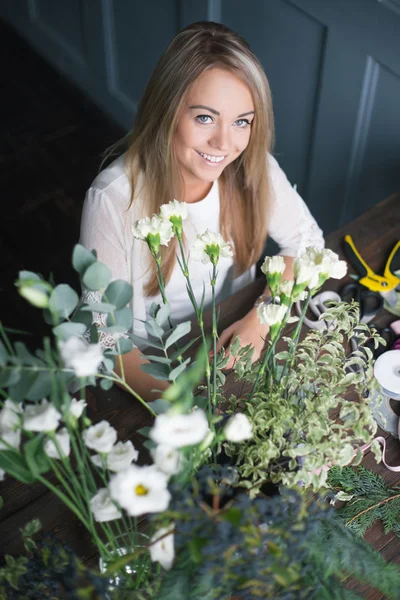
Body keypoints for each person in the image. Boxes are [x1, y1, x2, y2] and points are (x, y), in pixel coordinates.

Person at [80, 21, 324, 401]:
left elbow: (308, 244)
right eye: (205, 117)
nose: (224, 143)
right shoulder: (112, 200)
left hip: (234, 329)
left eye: (241, 121)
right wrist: (184, 408)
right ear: (167, 110)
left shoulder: (253, 169)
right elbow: (105, 335)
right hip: (152, 367)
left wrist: (261, 320)